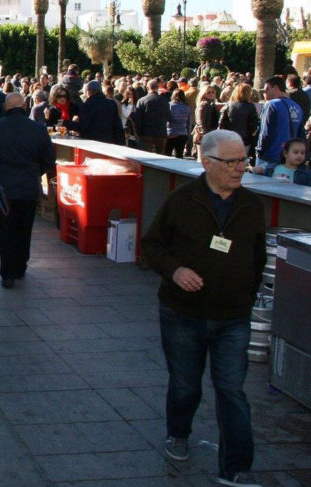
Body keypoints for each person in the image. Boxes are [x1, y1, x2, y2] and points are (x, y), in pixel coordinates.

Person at [141, 130, 266, 487]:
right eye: (232, 161)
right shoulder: (181, 201)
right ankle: (178, 432)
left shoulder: (251, 206)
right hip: (183, 313)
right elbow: (152, 245)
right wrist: (175, 271)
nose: (240, 168)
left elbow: (257, 258)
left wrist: (246, 295)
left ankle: (236, 467)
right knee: (185, 384)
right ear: (207, 162)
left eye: (243, 159)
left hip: (233, 317)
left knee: (231, 390)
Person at [0, 93, 56, 289]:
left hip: (2, 189)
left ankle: (7, 273)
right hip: (29, 187)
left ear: (5, 107)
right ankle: (21, 265)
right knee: (25, 228)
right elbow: (48, 160)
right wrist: (35, 173)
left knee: (5, 231)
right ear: (24, 106)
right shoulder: (38, 129)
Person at [255, 76, 305, 173]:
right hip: (289, 159)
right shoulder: (297, 107)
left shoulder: (271, 105)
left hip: (270, 157)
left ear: (276, 88)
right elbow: (300, 135)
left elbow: (265, 133)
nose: (264, 93)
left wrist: (259, 153)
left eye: (267, 89)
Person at [218, 83, 260, 155]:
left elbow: (221, 122)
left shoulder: (229, 105)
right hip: (245, 139)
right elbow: (254, 124)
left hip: (229, 138)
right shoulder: (250, 107)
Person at [132, 79, 171, 154]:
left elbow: (138, 119)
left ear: (147, 88)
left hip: (146, 133)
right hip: (161, 132)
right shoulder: (164, 100)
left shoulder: (142, 101)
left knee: (146, 156)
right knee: (161, 157)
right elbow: (168, 116)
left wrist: (138, 133)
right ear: (157, 87)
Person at [193, 84, 221, 157]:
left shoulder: (211, 104)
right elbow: (200, 123)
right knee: (203, 161)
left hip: (211, 134)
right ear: (203, 94)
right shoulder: (203, 105)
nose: (211, 94)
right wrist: (205, 136)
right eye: (208, 92)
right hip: (204, 136)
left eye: (212, 92)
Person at [166, 89, 194, 158]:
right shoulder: (187, 107)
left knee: (167, 155)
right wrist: (188, 134)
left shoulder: (169, 106)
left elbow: (165, 120)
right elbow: (188, 123)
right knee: (179, 155)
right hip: (182, 133)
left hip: (170, 133)